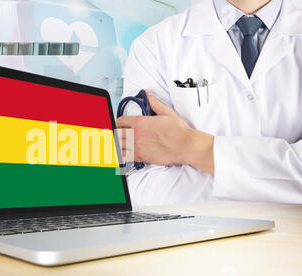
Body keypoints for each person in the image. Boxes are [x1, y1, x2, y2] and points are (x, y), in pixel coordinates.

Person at [116, 0, 302, 206]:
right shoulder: (153, 45)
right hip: (192, 236)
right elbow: (136, 186)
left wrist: (192, 147)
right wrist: (282, 185)